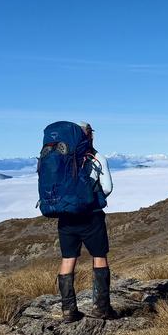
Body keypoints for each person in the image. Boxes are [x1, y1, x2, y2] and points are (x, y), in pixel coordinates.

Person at [55, 122, 116, 321]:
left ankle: (68, 310)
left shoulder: (59, 156)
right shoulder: (97, 157)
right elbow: (107, 188)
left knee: (68, 259)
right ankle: (101, 307)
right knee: (99, 256)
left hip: (66, 216)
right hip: (91, 215)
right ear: (89, 136)